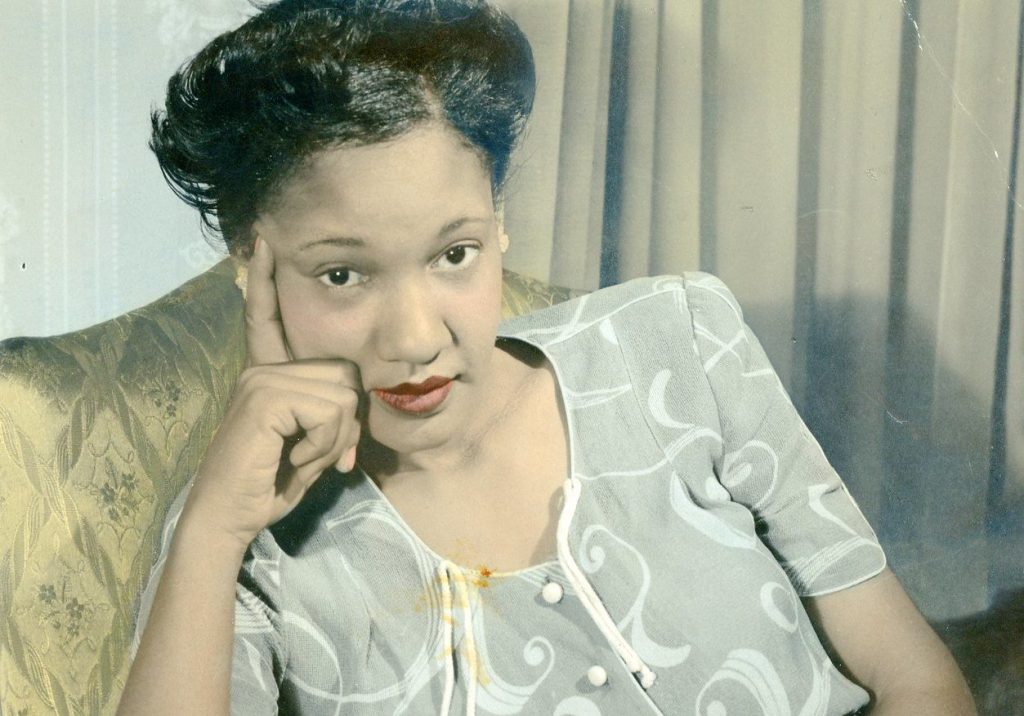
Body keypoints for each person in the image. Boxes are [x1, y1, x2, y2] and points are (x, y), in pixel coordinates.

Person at [118, 1, 976, 713]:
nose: (416, 338)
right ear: (251, 264)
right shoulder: (243, 542)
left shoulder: (675, 340)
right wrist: (208, 535)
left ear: (497, 218)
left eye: (454, 254)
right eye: (343, 274)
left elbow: (915, 678)